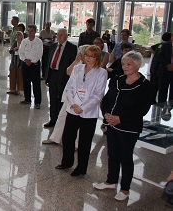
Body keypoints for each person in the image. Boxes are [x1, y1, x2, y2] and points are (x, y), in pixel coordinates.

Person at [96, 51, 156, 201]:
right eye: (123, 64)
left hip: (129, 127)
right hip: (112, 124)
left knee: (125, 157)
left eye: (129, 64)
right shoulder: (117, 80)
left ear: (138, 65)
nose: (125, 67)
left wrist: (120, 119)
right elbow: (107, 99)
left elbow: (142, 110)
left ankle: (125, 189)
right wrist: (106, 114)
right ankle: (111, 181)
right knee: (112, 154)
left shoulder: (146, 86)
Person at [55, 45, 107, 177]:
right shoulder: (78, 68)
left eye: (92, 56)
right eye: (87, 56)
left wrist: (82, 107)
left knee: (84, 141)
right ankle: (66, 162)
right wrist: (73, 104)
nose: (88, 59)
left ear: (97, 58)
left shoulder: (101, 72)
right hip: (73, 109)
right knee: (68, 137)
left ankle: (81, 168)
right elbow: (69, 87)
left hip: (88, 113)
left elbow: (98, 95)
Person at [42, 45, 89, 144]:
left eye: (81, 52)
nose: (79, 54)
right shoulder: (77, 64)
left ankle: (77, 143)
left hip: (82, 98)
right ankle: (55, 138)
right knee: (62, 116)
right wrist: (76, 61)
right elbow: (68, 72)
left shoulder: (91, 67)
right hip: (70, 95)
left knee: (80, 120)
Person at [44, 28, 77, 128]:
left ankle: (60, 121)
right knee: (53, 98)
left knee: (61, 99)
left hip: (63, 76)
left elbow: (73, 64)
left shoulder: (72, 48)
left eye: (62, 34)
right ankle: (53, 120)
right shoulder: (53, 46)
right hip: (52, 74)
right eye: (58, 34)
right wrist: (47, 77)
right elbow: (48, 61)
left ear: (67, 36)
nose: (60, 36)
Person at [18, 24, 43, 109]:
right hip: (25, 64)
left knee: (36, 84)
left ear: (35, 31)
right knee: (26, 82)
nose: (30, 33)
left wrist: (31, 61)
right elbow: (20, 52)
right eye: (29, 31)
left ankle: (37, 102)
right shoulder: (24, 41)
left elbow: (39, 54)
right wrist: (25, 60)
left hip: (35, 65)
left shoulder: (39, 42)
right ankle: (27, 99)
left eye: (32, 31)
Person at [7, 31, 24, 95]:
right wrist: (14, 49)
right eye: (16, 35)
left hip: (21, 62)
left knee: (20, 76)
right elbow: (10, 51)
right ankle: (12, 89)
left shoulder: (24, 43)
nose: (17, 36)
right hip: (14, 62)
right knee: (13, 75)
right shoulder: (14, 43)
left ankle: (19, 89)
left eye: (19, 35)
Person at [158, 36, 173, 103]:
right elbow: (160, 56)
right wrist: (167, 65)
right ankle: (160, 108)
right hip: (164, 71)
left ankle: (171, 108)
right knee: (162, 91)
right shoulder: (165, 45)